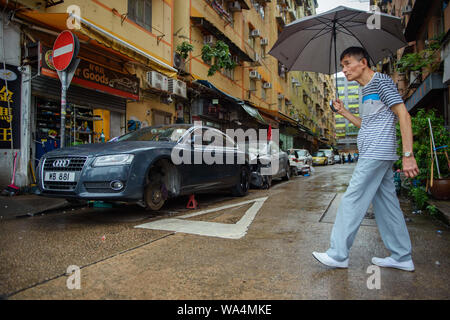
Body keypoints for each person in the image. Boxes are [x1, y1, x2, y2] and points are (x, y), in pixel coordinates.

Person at [312, 47, 419, 272]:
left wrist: (408, 155)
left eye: (347, 63)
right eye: (342, 66)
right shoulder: (364, 90)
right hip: (374, 152)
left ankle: (338, 254)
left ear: (363, 63)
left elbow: (403, 114)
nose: (344, 70)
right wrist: (343, 112)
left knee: (352, 198)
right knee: (387, 205)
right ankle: (401, 256)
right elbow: (366, 124)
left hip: (377, 152)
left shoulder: (381, 81)